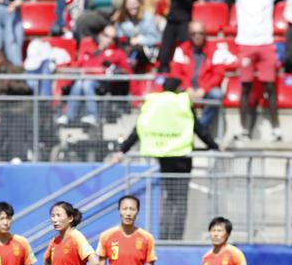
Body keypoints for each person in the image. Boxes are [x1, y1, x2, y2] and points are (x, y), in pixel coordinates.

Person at [114, 76, 220, 240]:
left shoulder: (153, 102)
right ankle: (176, 237)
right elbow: (199, 128)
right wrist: (215, 146)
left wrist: (123, 149)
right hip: (182, 156)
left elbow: (139, 128)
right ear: (178, 88)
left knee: (168, 197)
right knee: (180, 199)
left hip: (163, 155)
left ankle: (164, 235)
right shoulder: (182, 102)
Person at [217, 0, 292, 142]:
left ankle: (276, 128)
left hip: (265, 43)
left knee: (269, 87)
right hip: (246, 44)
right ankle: (243, 129)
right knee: (246, 87)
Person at [56, 24, 132, 127]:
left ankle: (92, 115)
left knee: (86, 83)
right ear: (101, 35)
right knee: (80, 83)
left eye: (112, 38)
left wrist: (113, 70)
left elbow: (126, 71)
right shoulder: (90, 52)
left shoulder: (118, 53)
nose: (109, 40)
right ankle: (69, 116)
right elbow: (77, 67)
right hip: (84, 82)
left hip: (105, 84)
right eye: (106, 36)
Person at [170, 21, 237, 129]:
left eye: (200, 33)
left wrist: (204, 89)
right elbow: (176, 73)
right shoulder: (181, 50)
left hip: (206, 88)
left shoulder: (215, 50)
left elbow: (218, 74)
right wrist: (188, 88)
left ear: (205, 34)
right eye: (194, 33)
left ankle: (200, 128)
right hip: (186, 88)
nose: (197, 36)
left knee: (217, 95)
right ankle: (179, 127)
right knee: (170, 94)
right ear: (189, 34)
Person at [0, 50, 32, 163]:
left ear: (1, 60)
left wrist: (11, 84)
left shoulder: (17, 71)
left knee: (16, 125)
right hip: (2, 112)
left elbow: (27, 89)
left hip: (19, 110)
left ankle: (17, 156)